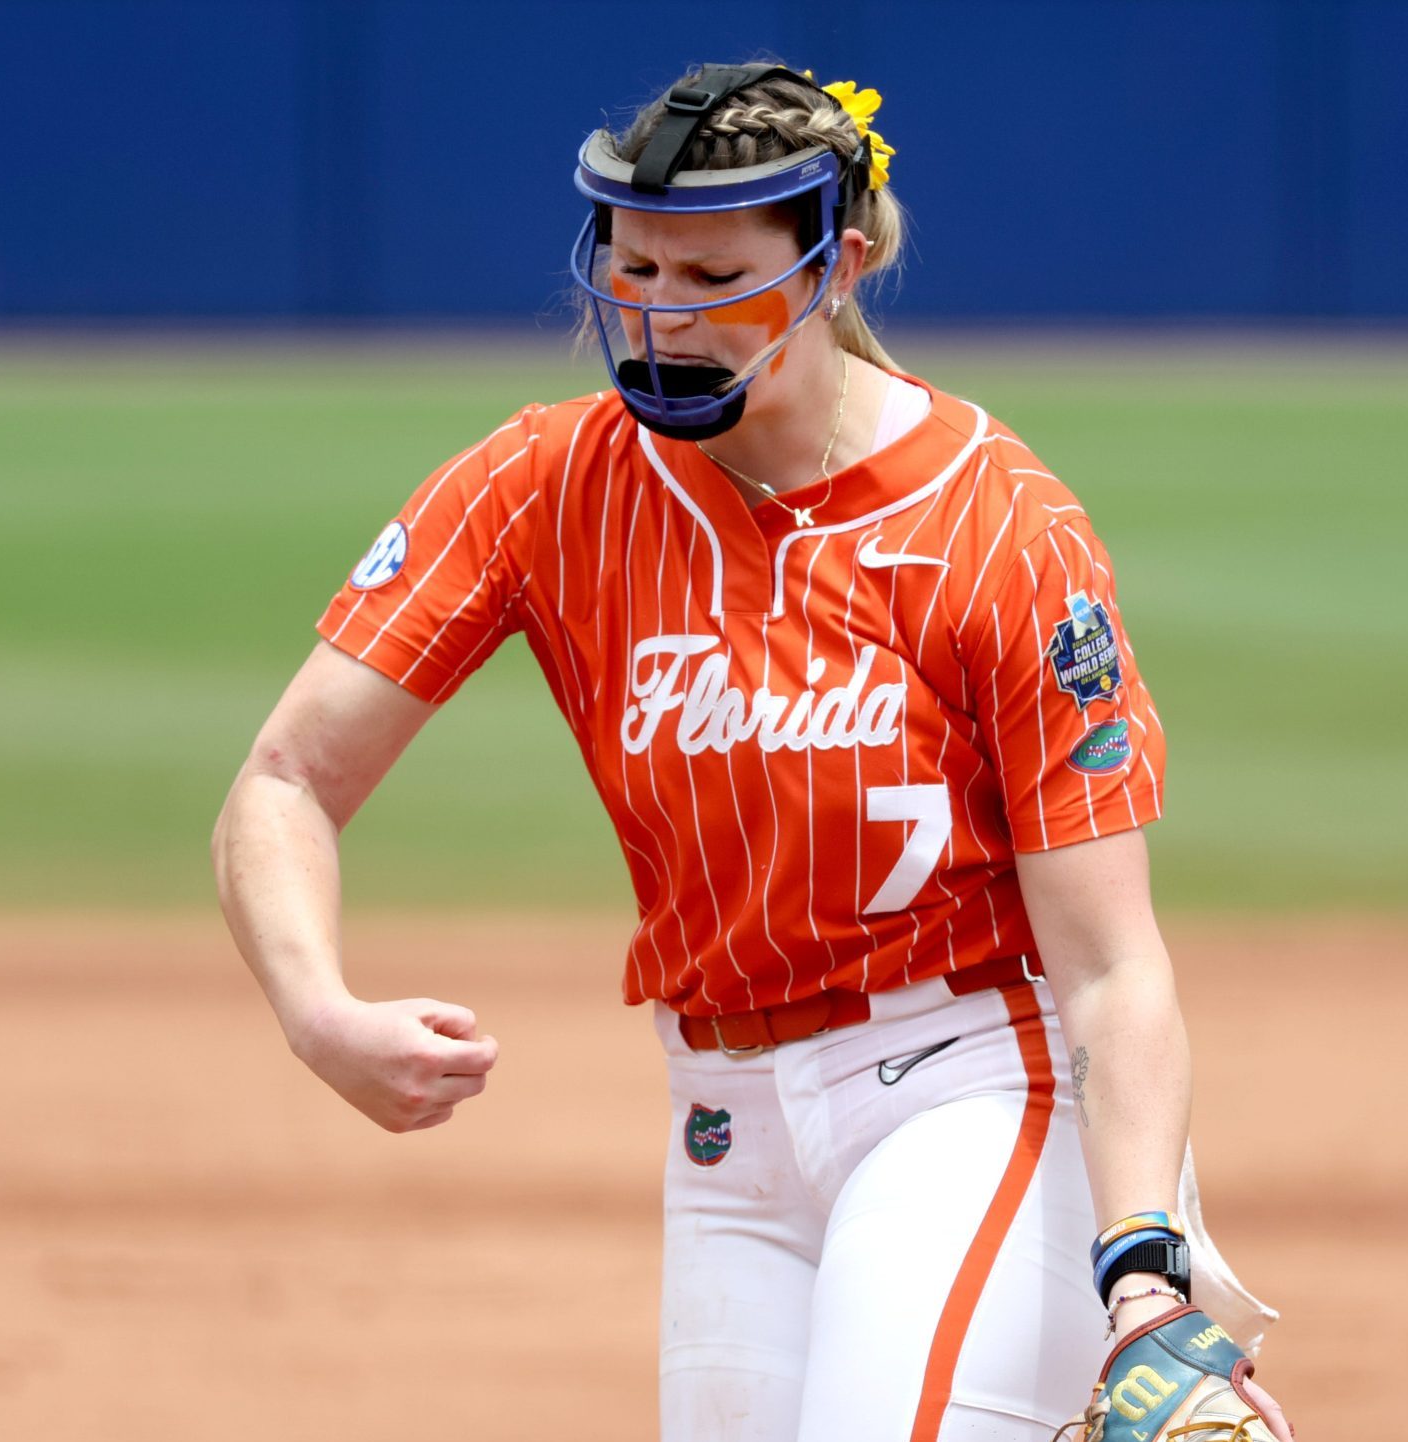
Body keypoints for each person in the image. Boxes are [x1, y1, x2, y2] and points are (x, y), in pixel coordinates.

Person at [215, 63, 1280, 1442]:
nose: (663, 308)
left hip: (973, 1096)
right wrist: (316, 1009)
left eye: (715, 274)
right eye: (637, 265)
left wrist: (1144, 1277)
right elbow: (287, 780)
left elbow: (1113, 965)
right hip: (723, 1132)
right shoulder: (549, 484)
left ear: (835, 267)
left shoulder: (997, 525)